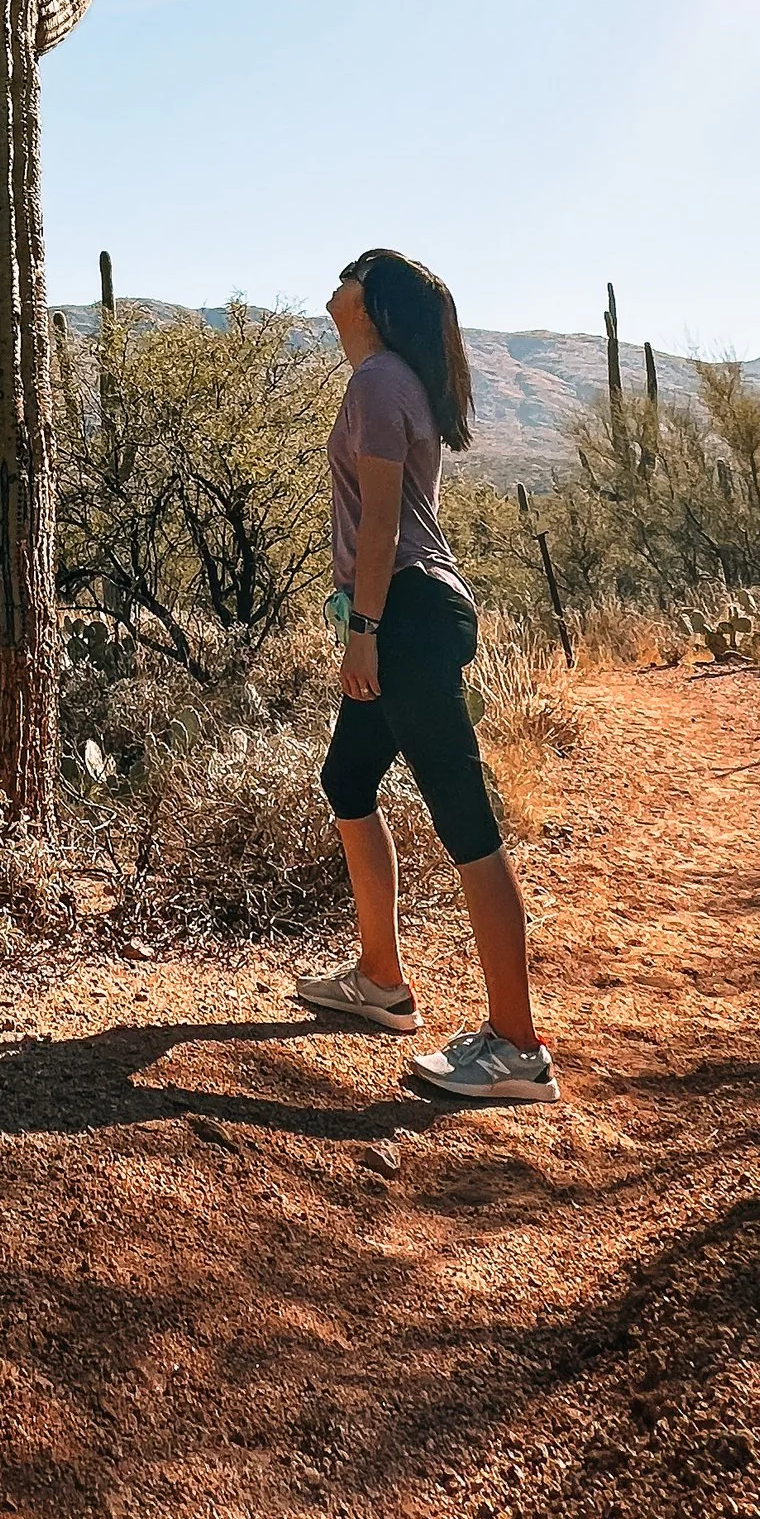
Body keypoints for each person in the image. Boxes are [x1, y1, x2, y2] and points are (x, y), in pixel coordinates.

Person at [293, 246, 559, 1105]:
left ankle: (516, 1045)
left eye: (351, 272)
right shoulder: (390, 378)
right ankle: (381, 980)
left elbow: (378, 525)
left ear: (370, 301)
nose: (336, 281)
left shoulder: (378, 384)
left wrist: (362, 631)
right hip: (405, 609)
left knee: (464, 817)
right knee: (348, 778)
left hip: (402, 611)